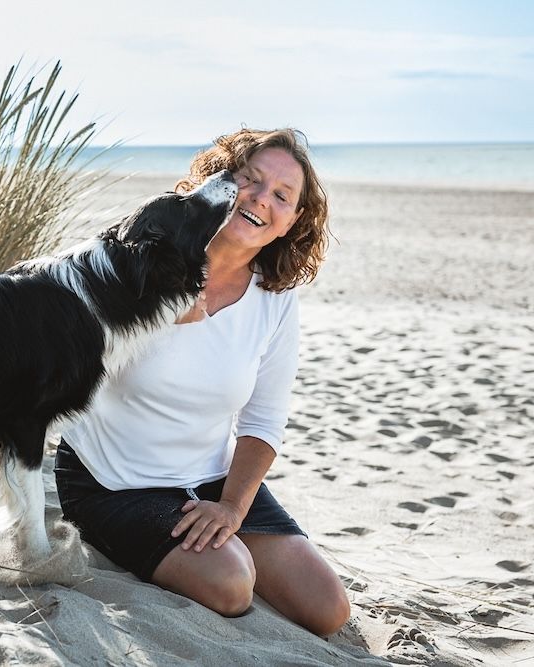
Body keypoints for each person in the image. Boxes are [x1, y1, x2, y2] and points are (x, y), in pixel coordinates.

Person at [55, 128, 350, 636]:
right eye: (250, 180)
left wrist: (232, 508)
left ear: (291, 222)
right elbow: (61, 346)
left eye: (281, 196)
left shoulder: (275, 299)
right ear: (220, 182)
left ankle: (211, 539)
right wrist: (155, 314)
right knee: (232, 584)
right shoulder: (143, 253)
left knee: (327, 608)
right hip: (114, 480)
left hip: (211, 477)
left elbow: (263, 419)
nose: (261, 199)